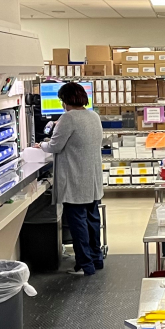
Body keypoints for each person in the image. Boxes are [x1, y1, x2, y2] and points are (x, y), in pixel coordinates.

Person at [37, 81, 104, 277]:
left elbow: (55, 146)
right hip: (92, 180)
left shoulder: (68, 118)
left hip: (75, 180)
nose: (61, 104)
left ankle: (85, 265)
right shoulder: (94, 116)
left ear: (66, 100)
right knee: (92, 221)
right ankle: (96, 259)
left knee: (78, 224)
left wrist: (40, 145)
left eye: (61, 100)